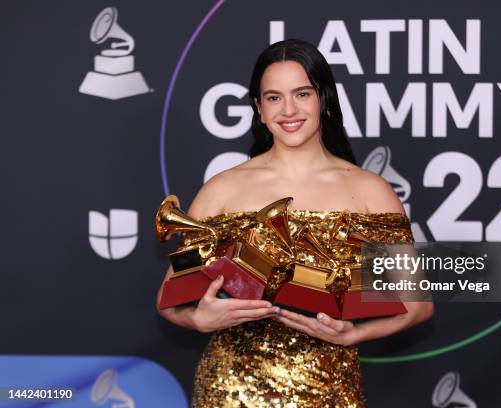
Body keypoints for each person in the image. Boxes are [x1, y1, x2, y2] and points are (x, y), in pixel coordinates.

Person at [157, 38, 434, 407]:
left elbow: (417, 304)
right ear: (258, 107)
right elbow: (169, 297)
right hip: (230, 389)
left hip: (330, 388)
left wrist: (353, 334)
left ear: (323, 99)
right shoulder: (222, 189)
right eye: (273, 97)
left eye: (302, 93)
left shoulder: (370, 191)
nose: (288, 109)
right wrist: (200, 319)